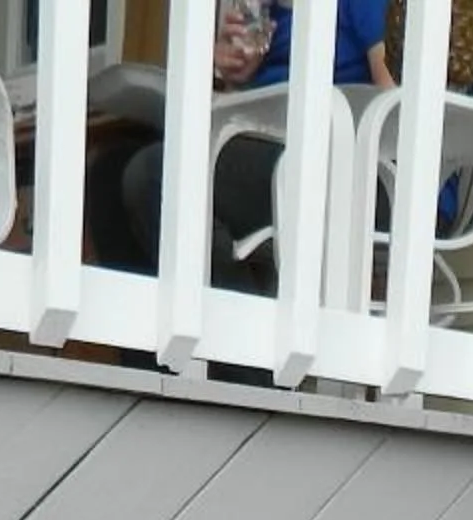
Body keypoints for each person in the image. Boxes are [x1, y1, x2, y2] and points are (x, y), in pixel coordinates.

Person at [83, 0, 395, 299]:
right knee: (107, 173)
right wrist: (235, 75)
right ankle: (156, 351)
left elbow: (394, 105)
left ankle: (237, 337)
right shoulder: (269, 17)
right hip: (275, 155)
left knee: (158, 173)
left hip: (354, 171)